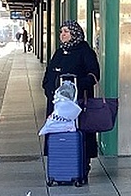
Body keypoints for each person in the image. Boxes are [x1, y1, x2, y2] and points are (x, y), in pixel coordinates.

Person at [42, 20, 101, 160]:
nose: (62, 35)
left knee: (79, 132)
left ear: (75, 33)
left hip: (77, 102)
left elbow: (94, 74)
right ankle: (60, 164)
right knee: (58, 132)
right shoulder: (59, 52)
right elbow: (49, 72)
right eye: (61, 32)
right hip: (57, 102)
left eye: (66, 31)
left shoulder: (85, 52)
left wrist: (75, 85)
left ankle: (82, 164)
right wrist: (47, 87)